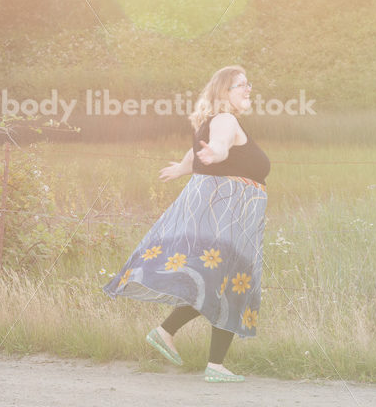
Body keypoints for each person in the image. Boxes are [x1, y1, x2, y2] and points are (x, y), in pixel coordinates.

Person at [103, 65, 270, 382]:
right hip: (230, 218)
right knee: (228, 283)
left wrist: (183, 167)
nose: (249, 89)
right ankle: (204, 358)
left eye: (249, 83)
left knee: (219, 283)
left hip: (235, 217)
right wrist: (216, 154)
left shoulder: (215, 122)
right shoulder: (225, 120)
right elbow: (218, 144)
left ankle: (175, 339)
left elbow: (201, 150)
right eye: (241, 85)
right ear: (224, 92)